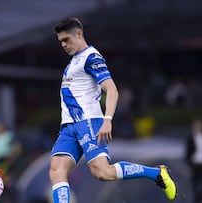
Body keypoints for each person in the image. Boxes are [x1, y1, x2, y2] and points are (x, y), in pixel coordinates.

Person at [49, 17, 176, 203]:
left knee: (102, 172)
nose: (63, 45)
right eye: (60, 41)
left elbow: (112, 89)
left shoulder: (91, 57)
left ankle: (157, 173)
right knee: (56, 170)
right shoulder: (73, 62)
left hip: (89, 122)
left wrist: (107, 119)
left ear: (79, 34)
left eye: (66, 40)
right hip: (69, 127)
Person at [185, 118, 202, 203]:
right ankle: (196, 199)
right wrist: (190, 162)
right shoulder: (190, 138)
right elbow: (187, 152)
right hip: (195, 163)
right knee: (196, 184)